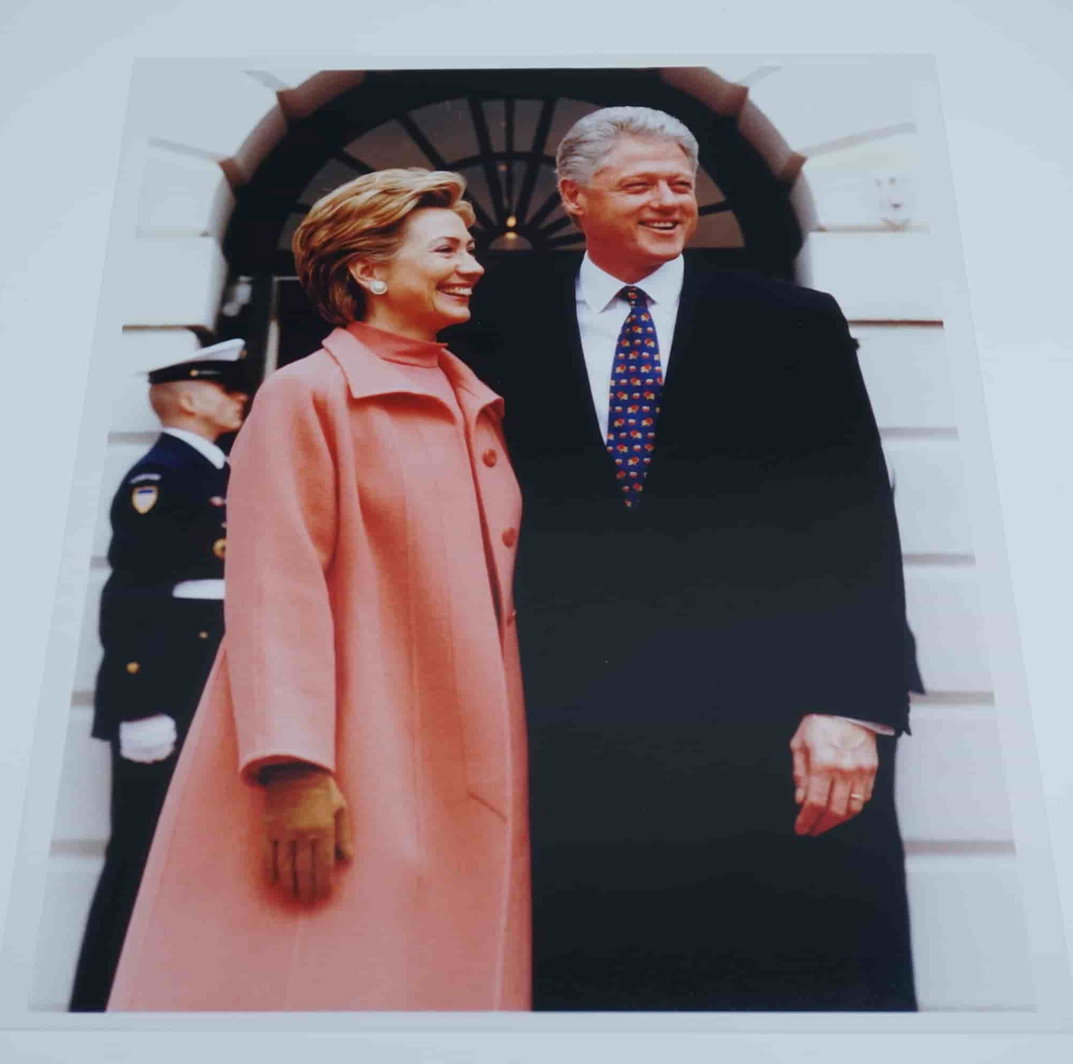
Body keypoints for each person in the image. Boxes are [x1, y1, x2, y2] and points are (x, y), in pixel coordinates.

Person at [455, 106, 924, 1011]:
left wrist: (852, 705)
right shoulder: (490, 323)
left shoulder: (791, 321)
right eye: (640, 184)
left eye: (681, 184)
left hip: (771, 724)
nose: (670, 203)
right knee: (599, 984)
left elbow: (856, 514)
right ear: (573, 198)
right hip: (569, 731)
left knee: (794, 982)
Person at [107, 169, 530, 1011]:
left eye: (471, 248)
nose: (473, 265)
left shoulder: (473, 399)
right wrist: (291, 764)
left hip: (474, 752)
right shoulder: (309, 393)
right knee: (335, 982)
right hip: (356, 757)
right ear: (370, 272)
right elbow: (275, 587)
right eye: (447, 248)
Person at [68, 339, 255, 1012]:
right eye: (225, 386)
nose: (240, 396)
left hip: (202, 683)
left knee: (193, 851)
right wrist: (141, 706)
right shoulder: (162, 474)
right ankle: (95, 1009)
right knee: (140, 853)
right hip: (167, 691)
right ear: (184, 398)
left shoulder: (212, 470)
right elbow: (134, 592)